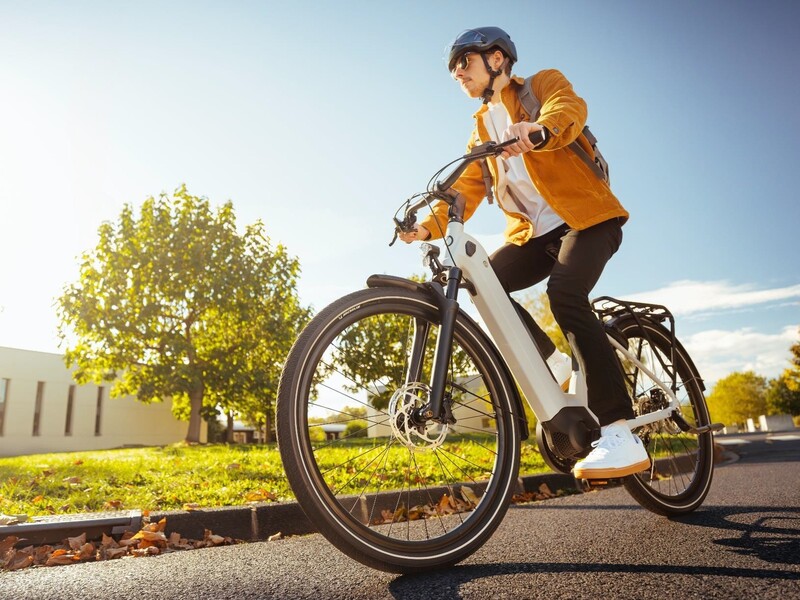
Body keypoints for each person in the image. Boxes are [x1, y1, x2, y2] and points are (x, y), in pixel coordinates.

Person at [398, 26, 650, 479]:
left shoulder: (540, 86)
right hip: (532, 237)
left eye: (464, 62)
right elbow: (465, 191)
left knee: (565, 295)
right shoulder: (481, 130)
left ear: (496, 59)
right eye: (452, 68)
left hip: (588, 220)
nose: (457, 73)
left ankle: (619, 431)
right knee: (484, 284)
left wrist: (539, 130)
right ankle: (554, 364)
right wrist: (426, 227)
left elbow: (568, 108)